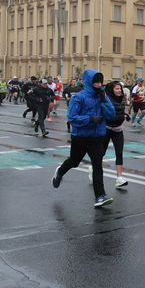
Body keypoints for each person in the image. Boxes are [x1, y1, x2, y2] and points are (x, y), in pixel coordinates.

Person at [52, 69, 116, 207]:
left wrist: (104, 100)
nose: (99, 85)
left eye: (100, 82)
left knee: (97, 165)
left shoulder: (102, 96)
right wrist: (90, 119)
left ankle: (100, 196)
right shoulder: (78, 97)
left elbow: (111, 115)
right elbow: (72, 118)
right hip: (80, 136)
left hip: (97, 136)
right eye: (96, 82)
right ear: (89, 82)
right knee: (74, 161)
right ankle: (60, 171)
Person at [103, 81, 129, 189]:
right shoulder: (107, 99)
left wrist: (125, 115)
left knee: (119, 152)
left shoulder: (122, 98)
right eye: (117, 89)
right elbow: (108, 114)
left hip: (118, 130)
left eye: (120, 89)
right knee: (101, 153)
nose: (119, 91)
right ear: (112, 90)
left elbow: (120, 110)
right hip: (106, 129)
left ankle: (119, 178)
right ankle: (94, 168)